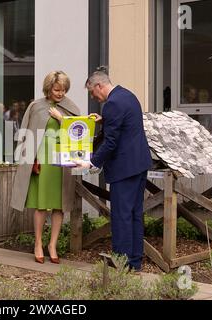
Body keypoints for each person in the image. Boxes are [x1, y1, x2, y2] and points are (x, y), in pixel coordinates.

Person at [74, 67, 152, 272]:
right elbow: (125, 125)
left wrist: (91, 163)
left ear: (99, 85)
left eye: (93, 92)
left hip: (123, 168)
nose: (94, 97)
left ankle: (121, 263)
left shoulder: (112, 104)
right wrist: (105, 120)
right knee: (135, 214)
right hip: (139, 164)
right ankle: (135, 262)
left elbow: (110, 142)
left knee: (121, 217)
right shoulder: (128, 96)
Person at [10, 71, 80, 264]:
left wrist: (61, 119)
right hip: (41, 160)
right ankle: (38, 243)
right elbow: (25, 135)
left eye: (64, 90)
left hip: (62, 163)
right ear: (48, 88)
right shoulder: (36, 106)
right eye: (57, 89)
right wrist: (29, 160)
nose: (60, 93)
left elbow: (78, 132)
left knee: (59, 206)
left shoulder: (70, 107)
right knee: (41, 205)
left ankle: (53, 245)